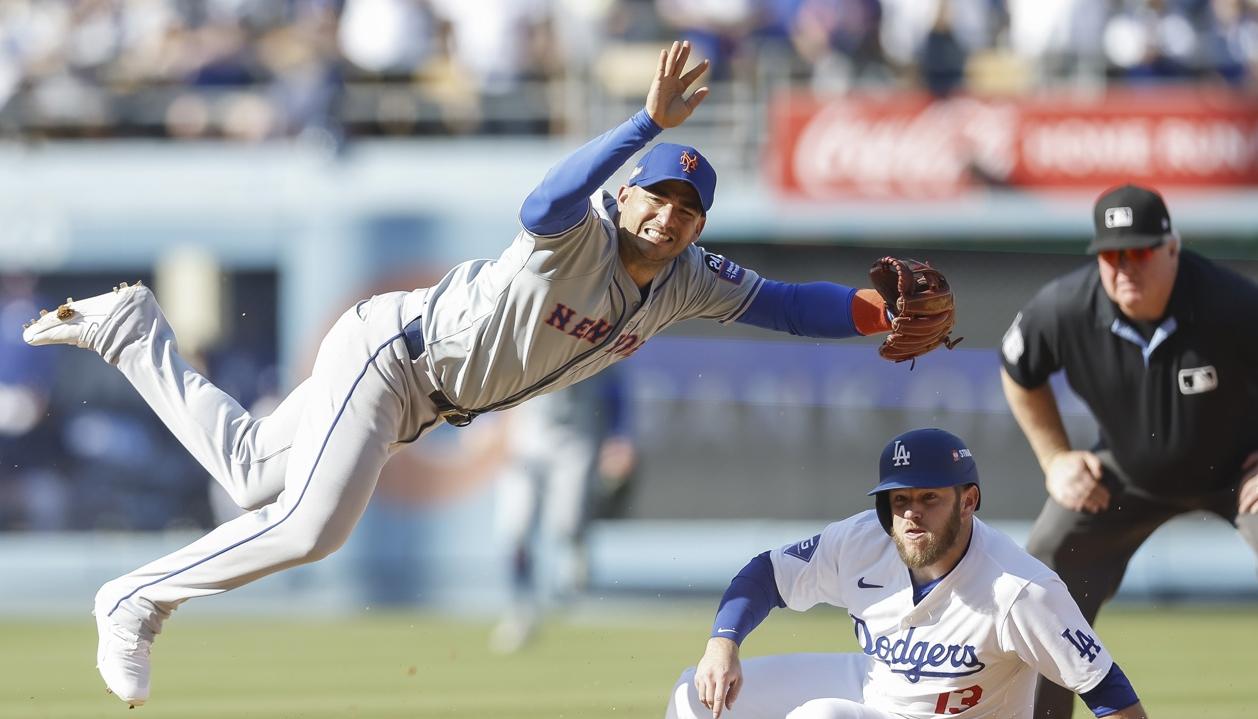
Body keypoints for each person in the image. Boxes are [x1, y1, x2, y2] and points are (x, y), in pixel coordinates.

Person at [20, 41, 951, 707]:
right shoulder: (576, 236)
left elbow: (789, 304)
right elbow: (539, 199)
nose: (670, 217)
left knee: (251, 467)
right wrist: (644, 125)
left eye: (688, 209)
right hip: (393, 357)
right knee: (310, 527)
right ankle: (135, 597)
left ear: (700, 227)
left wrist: (878, 316)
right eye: (658, 196)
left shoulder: (687, 281)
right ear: (626, 195)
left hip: (426, 401)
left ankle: (130, 331)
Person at [666, 428, 1149, 719]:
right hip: (877, 688)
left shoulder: (1020, 590)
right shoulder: (862, 540)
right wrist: (722, 644)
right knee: (696, 693)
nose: (911, 514)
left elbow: (1108, 693)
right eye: (900, 500)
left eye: (929, 498)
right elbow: (766, 575)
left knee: (821, 717)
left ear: (969, 500)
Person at [1000, 183, 1258, 719]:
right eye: (1111, 255)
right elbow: (1018, 371)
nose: (1123, 268)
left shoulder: (1231, 303)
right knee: (1045, 563)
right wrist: (1056, 459)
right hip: (1127, 473)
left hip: (1238, 473)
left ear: (1172, 248)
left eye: (1138, 252)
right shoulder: (1066, 308)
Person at [490, 366, 637, 653]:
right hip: (528, 436)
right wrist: (487, 424)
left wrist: (620, 435)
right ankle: (520, 608)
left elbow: (615, 386)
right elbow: (500, 371)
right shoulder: (528, 325)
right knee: (514, 529)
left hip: (576, 435)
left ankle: (573, 569)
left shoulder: (592, 326)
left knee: (567, 523)